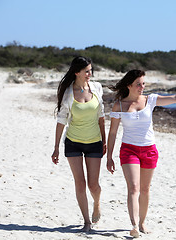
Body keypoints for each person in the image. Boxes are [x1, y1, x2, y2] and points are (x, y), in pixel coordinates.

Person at [106, 70, 176, 238]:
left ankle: (142, 223)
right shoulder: (119, 105)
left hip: (149, 150)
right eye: (138, 84)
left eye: (143, 83)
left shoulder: (150, 100)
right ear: (129, 85)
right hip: (129, 150)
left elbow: (175, 98)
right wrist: (109, 156)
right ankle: (134, 224)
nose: (142, 87)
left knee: (144, 189)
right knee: (133, 187)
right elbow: (113, 132)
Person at [51, 56, 106, 232]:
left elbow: (101, 117)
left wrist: (104, 141)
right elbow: (61, 121)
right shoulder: (68, 93)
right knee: (80, 183)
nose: (90, 74)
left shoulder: (97, 88)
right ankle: (86, 222)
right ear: (77, 72)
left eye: (91, 70)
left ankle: (97, 203)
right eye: (86, 71)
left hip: (94, 142)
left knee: (93, 185)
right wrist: (56, 147)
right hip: (73, 142)